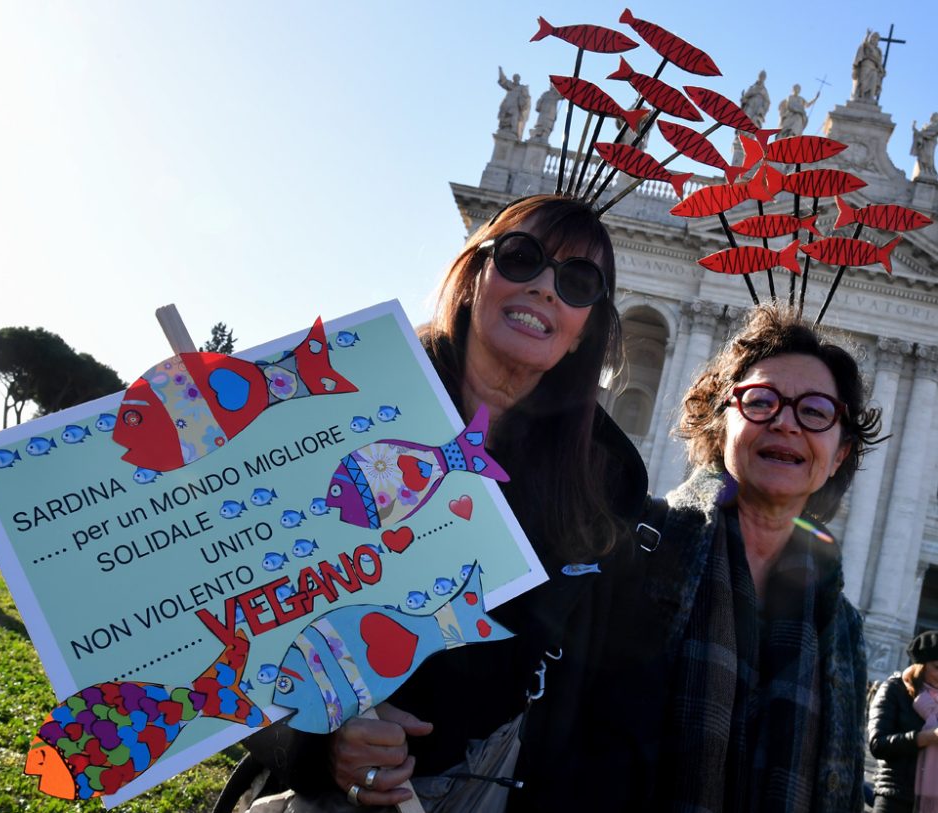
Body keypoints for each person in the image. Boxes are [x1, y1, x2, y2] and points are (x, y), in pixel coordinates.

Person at [243, 195, 662, 812]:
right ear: (474, 276)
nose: (546, 288)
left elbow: (603, 696)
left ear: (585, 332)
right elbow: (240, 624)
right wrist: (318, 741)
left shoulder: (607, 483)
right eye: (522, 259)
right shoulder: (346, 405)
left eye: (577, 282)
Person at [647, 305, 881, 812]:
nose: (786, 424)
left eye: (816, 412)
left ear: (840, 452)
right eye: (761, 401)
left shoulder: (842, 628)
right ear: (720, 421)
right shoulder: (638, 549)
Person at [869, 631, 938, 813]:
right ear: (921, 666)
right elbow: (878, 744)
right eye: (937, 667)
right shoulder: (895, 689)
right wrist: (925, 738)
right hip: (896, 796)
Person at [496, 68, 530, 141]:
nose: (516, 79)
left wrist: (523, 102)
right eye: (514, 77)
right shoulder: (510, 85)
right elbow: (503, 80)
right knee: (505, 116)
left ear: (519, 79)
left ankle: (513, 131)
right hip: (507, 104)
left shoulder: (521, 88)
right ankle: (505, 128)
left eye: (517, 78)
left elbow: (525, 97)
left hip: (515, 106)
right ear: (513, 78)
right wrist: (500, 71)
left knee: (514, 117)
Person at [852, 30, 885, 102]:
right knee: (863, 82)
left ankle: (870, 98)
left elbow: (879, 61)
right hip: (866, 65)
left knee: (873, 82)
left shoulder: (878, 50)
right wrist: (867, 35)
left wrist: (881, 69)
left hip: (874, 68)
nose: (874, 39)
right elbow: (864, 44)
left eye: (876, 38)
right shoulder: (866, 45)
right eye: (873, 37)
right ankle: (860, 96)